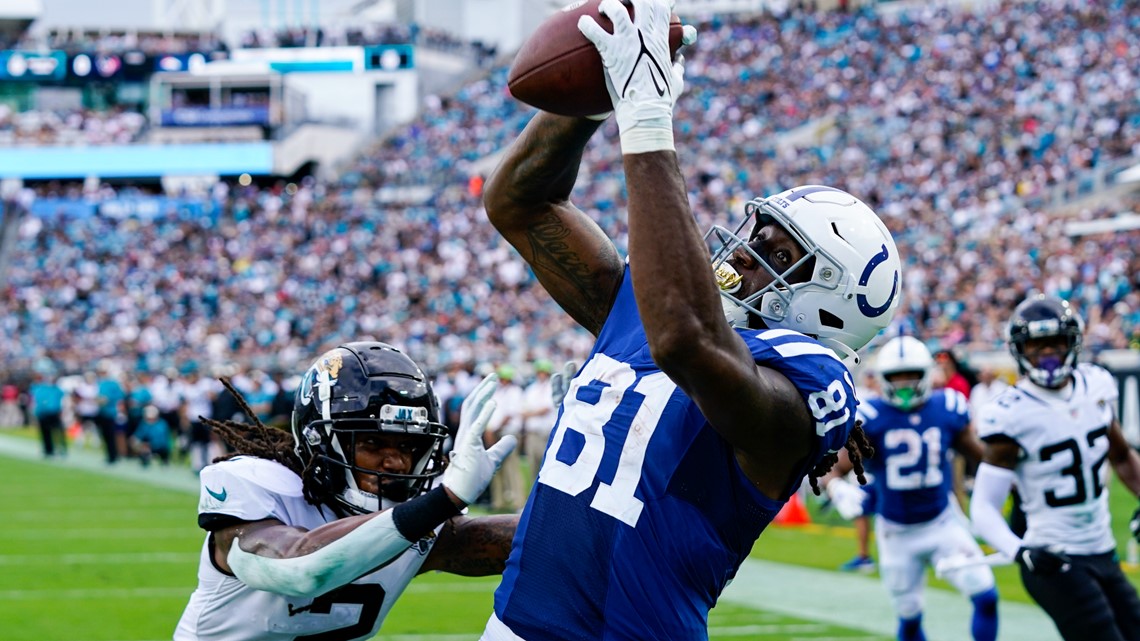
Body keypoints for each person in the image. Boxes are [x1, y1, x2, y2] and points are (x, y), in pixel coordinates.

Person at [478, 2, 901, 638]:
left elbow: (686, 339)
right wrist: (598, 96)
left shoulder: (804, 384)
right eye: (757, 234)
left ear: (831, 302)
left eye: (780, 255)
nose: (747, 253)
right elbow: (517, 202)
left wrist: (646, 116)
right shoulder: (658, 311)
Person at [174, 341, 519, 641]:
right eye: (372, 442)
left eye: (409, 446)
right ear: (319, 441)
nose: (396, 463)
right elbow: (299, 569)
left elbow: (533, 543)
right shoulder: (258, 486)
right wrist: (445, 499)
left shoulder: (419, 519)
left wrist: (569, 482)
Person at [971, 295, 1140, 641]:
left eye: (1056, 343)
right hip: (1053, 558)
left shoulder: (1096, 386)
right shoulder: (1011, 413)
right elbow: (983, 508)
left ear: (1073, 342)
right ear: (1020, 350)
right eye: (1037, 345)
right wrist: (1020, 551)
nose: (1048, 354)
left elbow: (1121, 456)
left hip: (1102, 549)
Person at [824, 336, 998, 641]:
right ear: (883, 380)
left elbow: (981, 457)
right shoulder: (872, 417)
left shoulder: (947, 407)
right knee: (910, 617)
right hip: (897, 532)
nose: (904, 384)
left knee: (986, 595)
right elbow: (834, 468)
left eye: (911, 376)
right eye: (896, 377)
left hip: (943, 522)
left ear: (926, 374)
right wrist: (836, 488)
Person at [29, 370, 67, 458]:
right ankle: (48, 450)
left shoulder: (56, 389)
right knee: (45, 432)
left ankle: (61, 448)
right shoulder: (40, 388)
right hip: (43, 413)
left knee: (58, 432)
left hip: (54, 413)